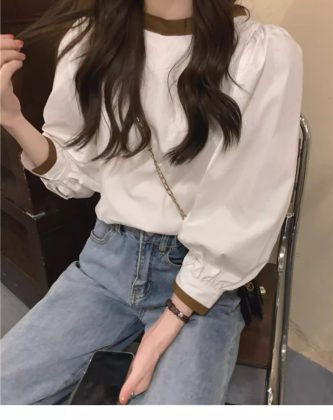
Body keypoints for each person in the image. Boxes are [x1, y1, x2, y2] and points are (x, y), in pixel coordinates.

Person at [0, 0, 303, 405]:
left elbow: (244, 206)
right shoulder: (90, 39)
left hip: (199, 278)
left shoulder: (259, 52)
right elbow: (78, 175)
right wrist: (12, 118)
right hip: (108, 259)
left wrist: (164, 330)